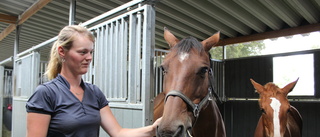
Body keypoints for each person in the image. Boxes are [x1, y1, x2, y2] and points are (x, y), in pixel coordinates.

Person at [26, 25, 161, 137]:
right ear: (62, 52)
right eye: (82, 52)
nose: (89, 57)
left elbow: (118, 133)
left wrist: (154, 129)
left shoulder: (94, 93)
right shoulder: (46, 93)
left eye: (91, 52)